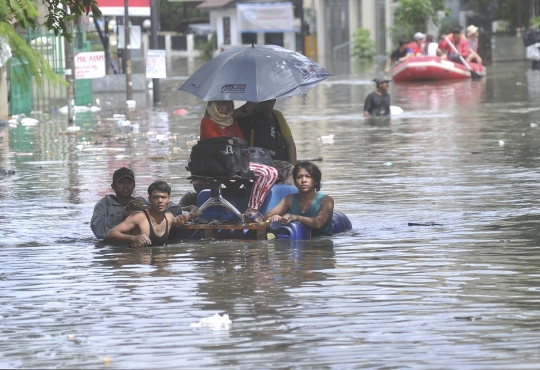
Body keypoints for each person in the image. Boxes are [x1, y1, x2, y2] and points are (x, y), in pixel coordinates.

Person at [200, 100, 279, 223]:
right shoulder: (207, 122)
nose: (220, 107)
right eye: (217, 104)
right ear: (211, 106)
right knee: (265, 172)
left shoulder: (232, 122)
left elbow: (242, 143)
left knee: (271, 172)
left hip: (234, 163)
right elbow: (217, 144)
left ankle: (252, 208)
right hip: (216, 164)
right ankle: (252, 210)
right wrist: (233, 143)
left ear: (229, 106)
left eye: (224, 104)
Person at [106, 181, 202, 247]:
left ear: (169, 199)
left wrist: (192, 213)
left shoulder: (169, 218)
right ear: (149, 199)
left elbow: (181, 220)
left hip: (160, 262)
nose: (160, 201)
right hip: (138, 264)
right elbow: (111, 234)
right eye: (156, 197)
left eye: (163, 197)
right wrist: (133, 238)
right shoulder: (139, 217)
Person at [264, 161, 334, 237]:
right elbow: (268, 215)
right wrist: (273, 218)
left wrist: (295, 217)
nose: (303, 180)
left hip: (321, 243)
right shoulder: (289, 199)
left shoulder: (326, 200)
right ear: (295, 181)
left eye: (308, 176)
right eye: (299, 177)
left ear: (316, 181)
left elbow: (318, 223)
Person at [233, 99, 297, 166]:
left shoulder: (276, 116)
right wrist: (245, 107)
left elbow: (290, 143)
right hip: (247, 159)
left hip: (272, 158)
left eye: (269, 101)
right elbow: (228, 118)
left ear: (274, 102)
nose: (266, 105)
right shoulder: (245, 113)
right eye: (263, 102)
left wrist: (294, 170)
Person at [91, 167, 138, 239]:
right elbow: (98, 230)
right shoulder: (103, 205)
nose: (125, 185)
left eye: (129, 182)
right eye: (121, 182)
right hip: (109, 247)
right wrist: (122, 215)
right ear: (113, 187)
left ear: (134, 186)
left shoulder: (140, 205)